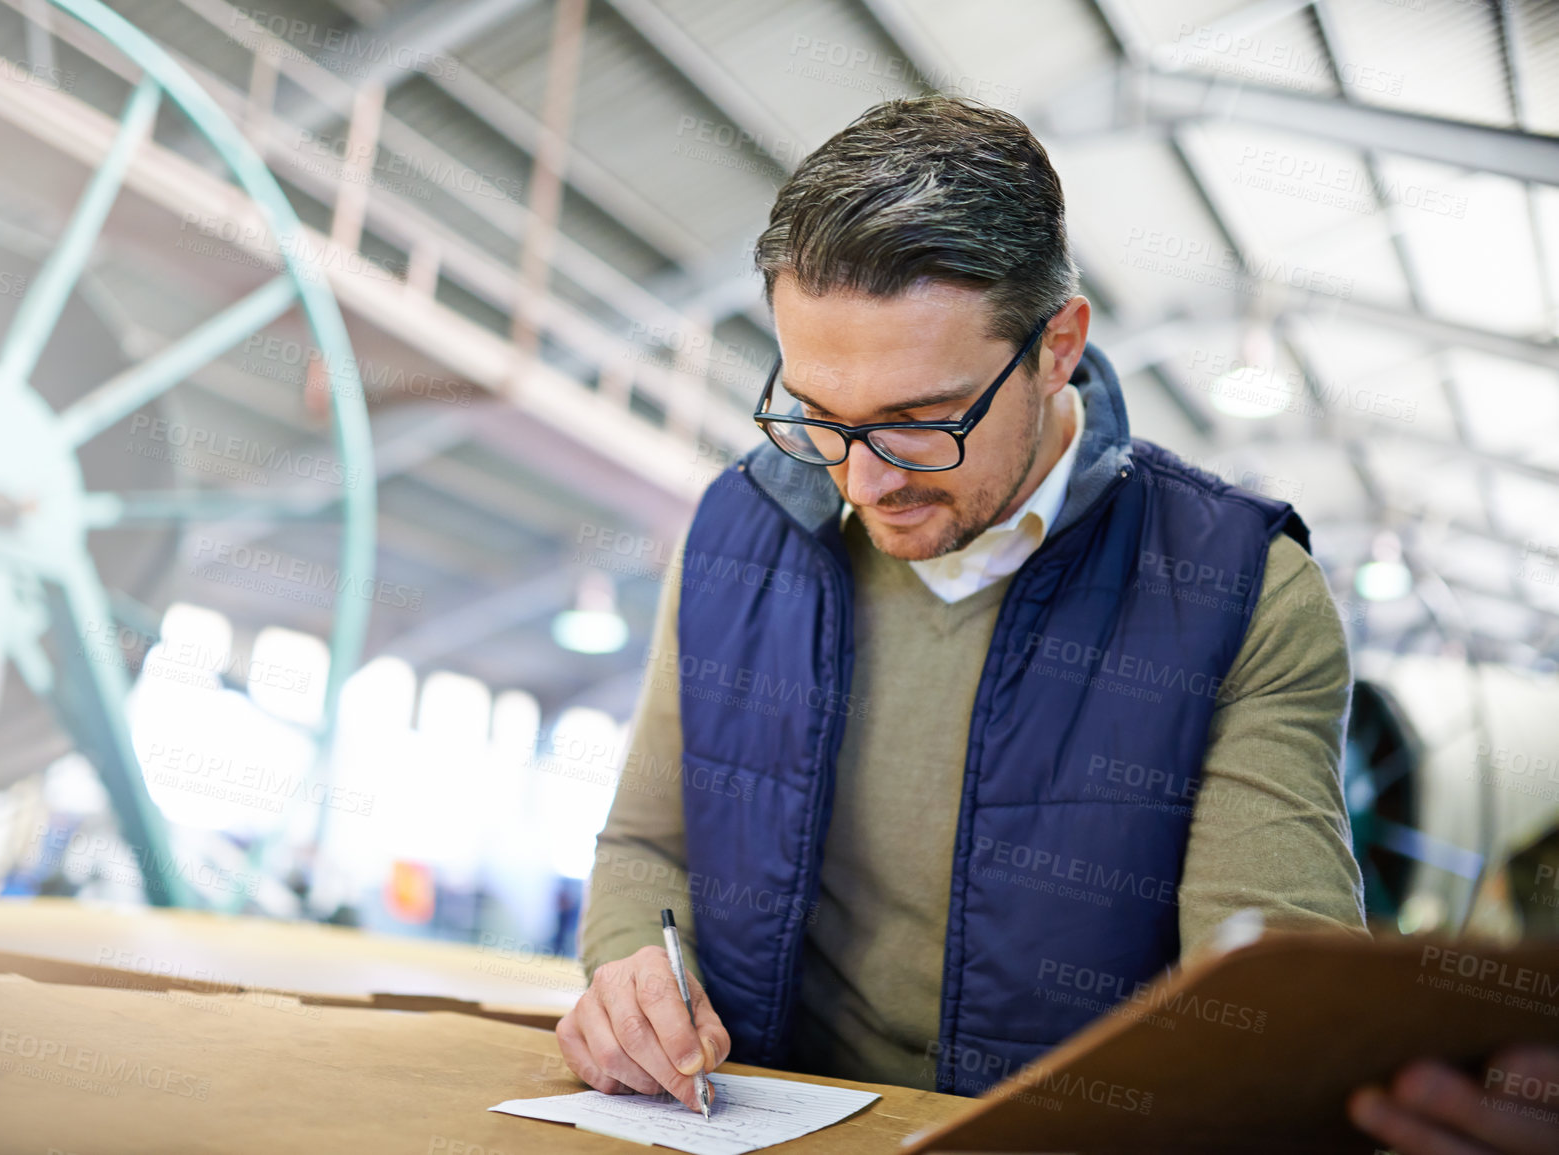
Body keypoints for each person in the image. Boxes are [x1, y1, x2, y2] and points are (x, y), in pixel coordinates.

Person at [555, 95, 1557, 1154]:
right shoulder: (736, 532)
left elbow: (1269, 986)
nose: (866, 478)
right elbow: (646, 842)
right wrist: (633, 966)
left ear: (1058, 347)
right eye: (819, 413)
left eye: (922, 421)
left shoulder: (1236, 587)